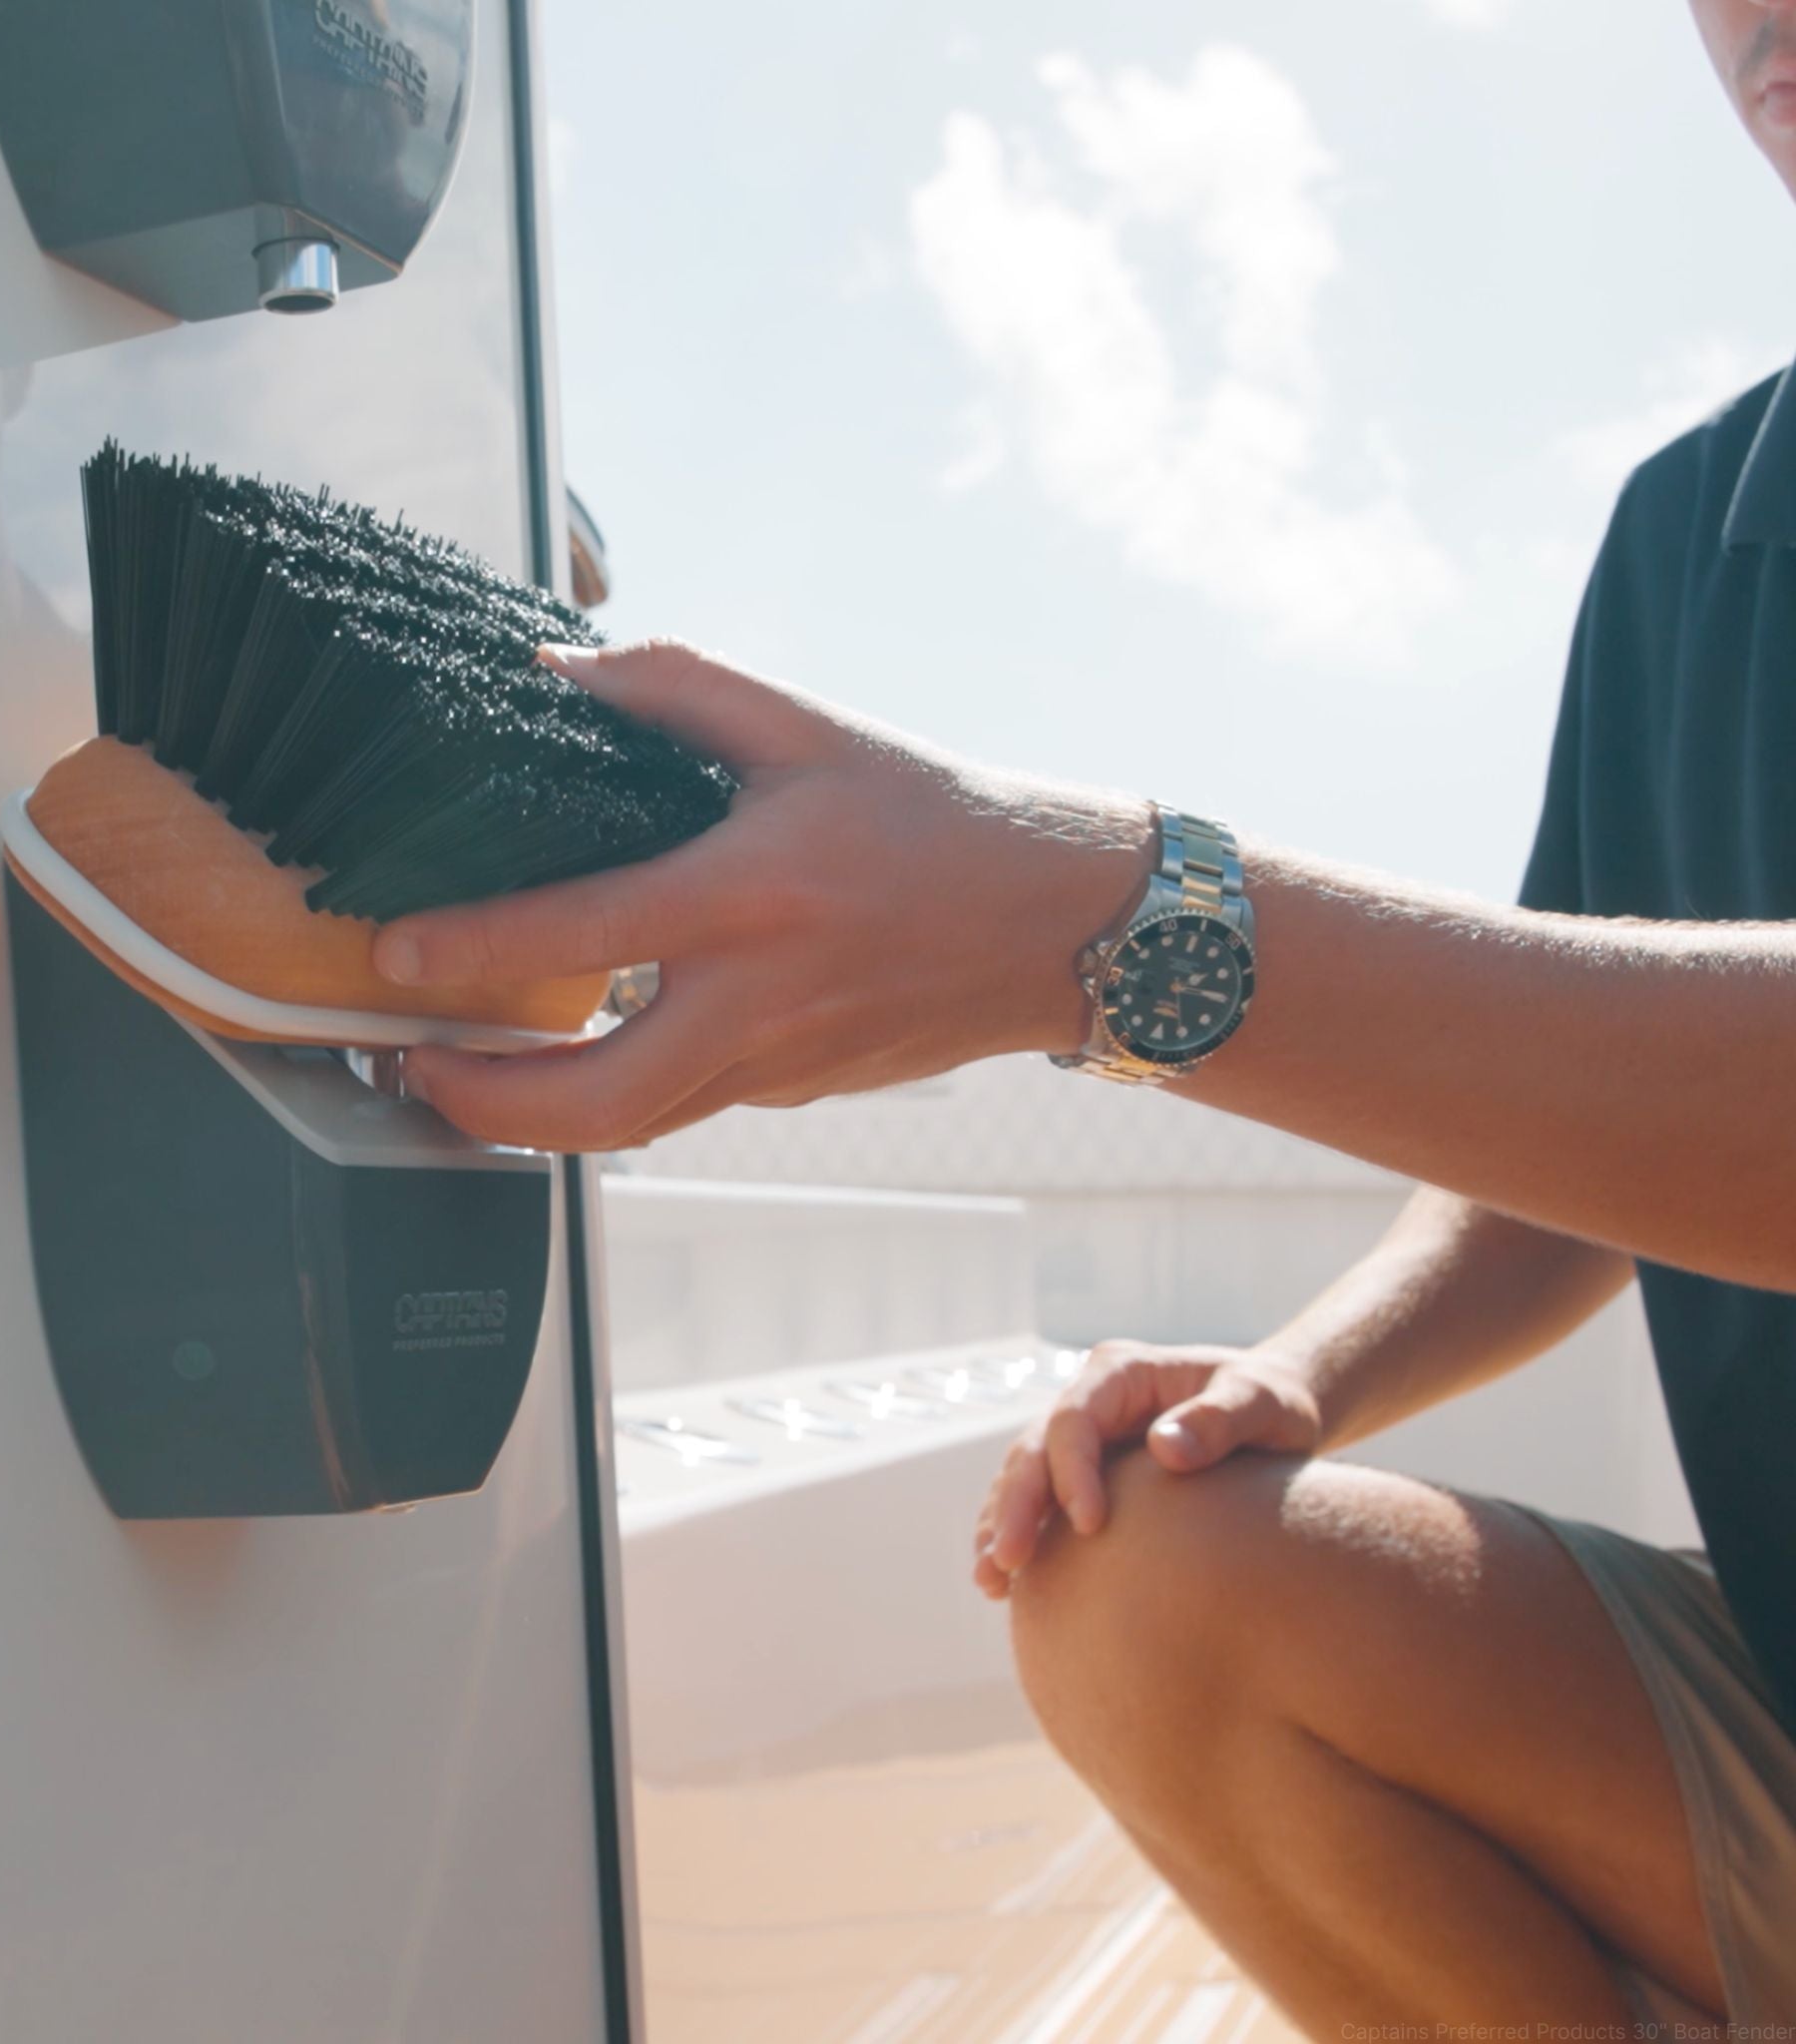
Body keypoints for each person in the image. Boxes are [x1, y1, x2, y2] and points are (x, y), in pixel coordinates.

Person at [368, 0, 1796, 2028]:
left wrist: (1098, 922)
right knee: (1144, 1578)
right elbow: (1583, 1156)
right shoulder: (1688, 543)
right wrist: (1295, 1381)